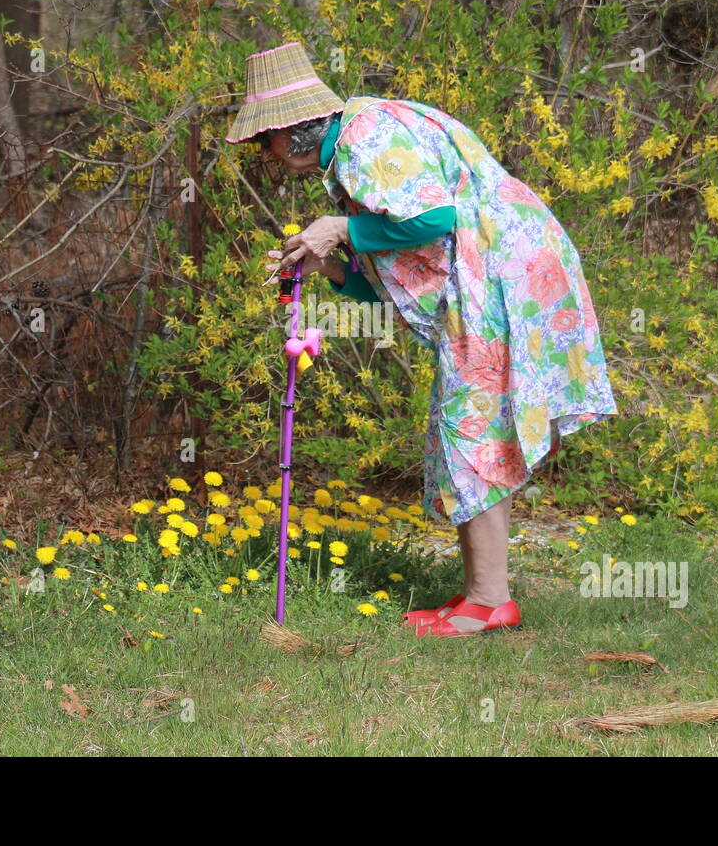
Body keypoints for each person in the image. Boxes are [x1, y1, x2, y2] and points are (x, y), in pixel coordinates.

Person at [226, 41, 618, 636]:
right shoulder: (357, 142)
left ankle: (488, 604)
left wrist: (340, 228)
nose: (266, 155)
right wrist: (331, 265)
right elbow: (399, 266)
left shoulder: (367, 136)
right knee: (466, 424)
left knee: (472, 426)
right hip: (492, 274)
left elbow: (434, 219)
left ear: (294, 128)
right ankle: (483, 598)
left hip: (500, 275)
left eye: (265, 140)